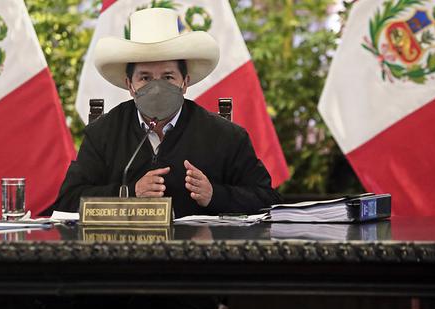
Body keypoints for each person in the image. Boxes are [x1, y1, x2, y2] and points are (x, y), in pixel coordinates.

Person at [54, 7, 281, 218]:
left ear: (185, 82)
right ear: (129, 85)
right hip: (124, 256)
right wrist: (128, 193)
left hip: (198, 257)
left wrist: (215, 195)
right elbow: (68, 201)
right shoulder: (103, 133)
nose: (157, 87)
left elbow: (268, 199)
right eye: (145, 78)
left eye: (168, 77)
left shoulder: (225, 136)